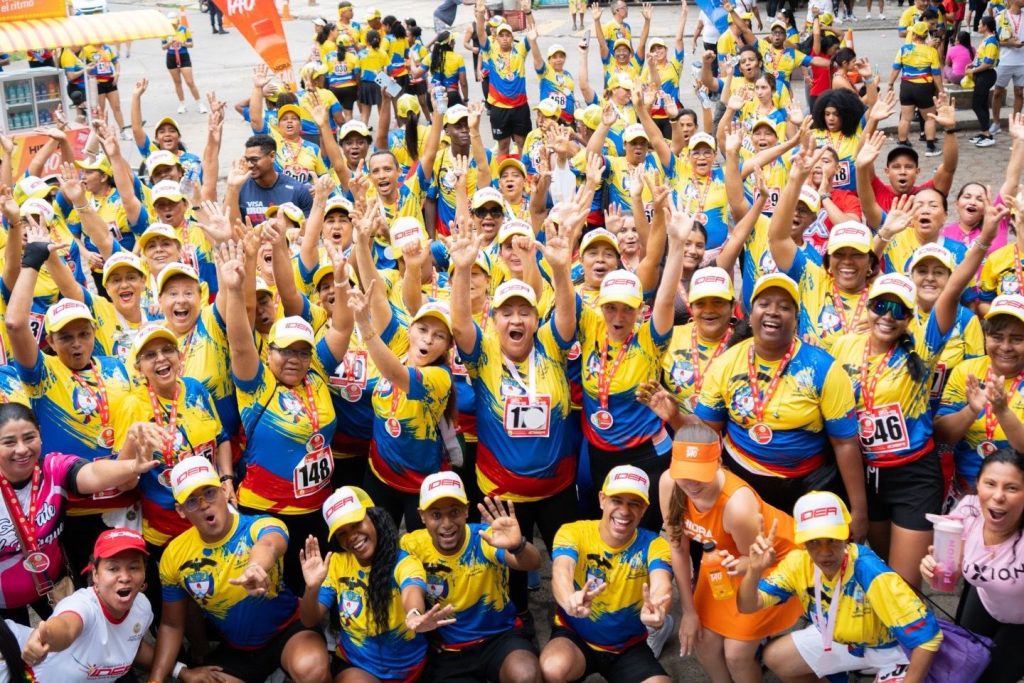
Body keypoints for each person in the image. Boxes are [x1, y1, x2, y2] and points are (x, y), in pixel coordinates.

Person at [220, 238, 351, 597]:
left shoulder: (317, 371)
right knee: (268, 589)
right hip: (267, 509)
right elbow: (240, 342)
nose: (294, 359)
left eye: (302, 352)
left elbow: (341, 328)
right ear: (269, 352)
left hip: (316, 506)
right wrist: (234, 289)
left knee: (313, 587)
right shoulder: (256, 383)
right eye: (285, 351)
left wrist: (341, 278)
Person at [694, 272, 867, 538]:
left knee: (807, 559)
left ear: (796, 320)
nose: (773, 312)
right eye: (764, 304)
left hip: (808, 484)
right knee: (750, 557)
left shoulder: (823, 368)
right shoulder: (726, 363)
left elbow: (844, 444)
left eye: (785, 307)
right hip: (743, 480)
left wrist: (859, 510)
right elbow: (707, 430)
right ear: (750, 316)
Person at [151, 456, 330, 683]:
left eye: (209, 493)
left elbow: (269, 544)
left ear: (224, 491)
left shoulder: (260, 524)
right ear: (181, 510)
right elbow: (171, 624)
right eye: (192, 501)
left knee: (311, 669)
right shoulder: (174, 555)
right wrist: (155, 679)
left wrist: (255, 567)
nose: (204, 505)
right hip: (238, 649)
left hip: (288, 631)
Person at [737, 491, 942, 682]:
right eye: (814, 542)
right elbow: (748, 606)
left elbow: (928, 638)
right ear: (803, 543)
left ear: (846, 537)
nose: (825, 552)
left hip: (892, 651)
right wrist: (754, 570)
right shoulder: (797, 563)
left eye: (832, 540)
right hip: (841, 641)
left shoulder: (870, 571)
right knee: (775, 657)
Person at [659, 424, 802, 683]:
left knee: (736, 654)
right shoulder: (669, 483)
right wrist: (689, 612)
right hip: (722, 560)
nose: (691, 484)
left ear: (718, 463)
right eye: (683, 473)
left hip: (773, 561)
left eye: (699, 474)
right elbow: (677, 547)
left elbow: (757, 560)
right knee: (703, 639)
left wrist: (739, 565)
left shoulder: (737, 507)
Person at [0, 403, 158, 625]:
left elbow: (93, 473)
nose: (22, 449)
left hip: (54, 588)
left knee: (71, 641)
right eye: (9, 442)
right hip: (4, 605)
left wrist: (132, 466)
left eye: (29, 438)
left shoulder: (53, 468)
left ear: (40, 435)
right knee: (17, 648)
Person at [299, 486, 452, 682]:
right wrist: (311, 588)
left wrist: (414, 614)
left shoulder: (404, 562)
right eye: (342, 533)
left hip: (412, 670)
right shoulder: (337, 563)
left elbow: (412, 590)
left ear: (374, 518)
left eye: (356, 524)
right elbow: (309, 620)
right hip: (358, 666)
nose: (351, 536)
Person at [401, 473, 544, 683]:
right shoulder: (411, 545)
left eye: (454, 512)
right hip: (450, 650)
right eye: (436, 515)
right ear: (422, 516)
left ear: (466, 510)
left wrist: (517, 545)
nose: (447, 524)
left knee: (526, 674)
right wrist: (416, 616)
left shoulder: (485, 537)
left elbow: (532, 562)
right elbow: (411, 583)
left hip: (500, 637)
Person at [540, 465, 673, 683]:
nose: (624, 511)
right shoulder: (573, 532)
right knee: (551, 669)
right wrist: (569, 600)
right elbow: (562, 570)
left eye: (634, 503)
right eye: (616, 500)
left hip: (628, 646)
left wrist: (658, 609)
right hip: (575, 636)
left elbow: (662, 583)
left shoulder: (656, 544)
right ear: (602, 500)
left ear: (644, 509)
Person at [920, 449, 1024, 683]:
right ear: (978, 484)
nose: (998, 496)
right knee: (962, 670)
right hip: (986, 599)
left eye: (1012, 488)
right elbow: (952, 570)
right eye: (990, 484)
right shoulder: (969, 510)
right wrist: (932, 569)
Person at [19, 528, 153, 682]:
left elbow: (133, 644)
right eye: (113, 568)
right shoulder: (83, 605)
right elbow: (66, 626)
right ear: (95, 574)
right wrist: (47, 637)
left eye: (134, 567)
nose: (125, 577)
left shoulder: (142, 606)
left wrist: (173, 670)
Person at [936, 295, 1024, 489]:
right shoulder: (966, 370)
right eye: (997, 337)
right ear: (985, 336)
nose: (1005, 347)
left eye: (1017, 339)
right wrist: (971, 410)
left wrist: (1003, 412)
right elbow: (942, 435)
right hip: (966, 489)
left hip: (1017, 493)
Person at [226, 134, 314, 226]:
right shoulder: (238, 188)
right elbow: (226, 225)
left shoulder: (298, 190)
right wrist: (232, 188)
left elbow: (310, 230)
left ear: (272, 156)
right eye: (247, 160)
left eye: (254, 159)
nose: (250, 165)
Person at [888, 22, 944, 155]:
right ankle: (930, 147)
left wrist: (890, 84)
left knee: (905, 118)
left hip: (906, 87)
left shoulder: (904, 49)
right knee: (929, 118)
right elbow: (936, 74)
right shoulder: (931, 51)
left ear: (913, 35)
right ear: (926, 35)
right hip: (924, 88)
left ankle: (902, 144)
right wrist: (941, 90)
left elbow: (896, 68)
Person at [992, 0, 1024, 138]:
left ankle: (1015, 124)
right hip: (1004, 61)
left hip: (1021, 61)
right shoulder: (1000, 17)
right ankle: (996, 123)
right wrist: (1010, 43)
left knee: (1019, 93)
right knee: (997, 92)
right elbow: (994, 40)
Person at [162, 13, 206, 115]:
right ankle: (182, 104)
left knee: (190, 82)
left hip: (183, 56)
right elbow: (163, 47)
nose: (173, 24)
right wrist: (169, 43)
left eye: (174, 22)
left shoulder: (184, 29)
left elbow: (191, 44)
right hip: (171, 57)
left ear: (178, 21)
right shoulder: (165, 31)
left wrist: (182, 43)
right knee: (177, 82)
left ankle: (200, 103)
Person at [969, 17, 1001, 147]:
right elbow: (981, 58)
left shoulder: (991, 41)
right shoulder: (987, 39)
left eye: (980, 24)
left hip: (986, 74)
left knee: (976, 104)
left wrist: (973, 70)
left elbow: (987, 63)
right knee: (982, 104)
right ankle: (984, 132)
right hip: (982, 74)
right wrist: (972, 65)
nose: (978, 26)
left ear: (986, 26)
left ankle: (987, 134)